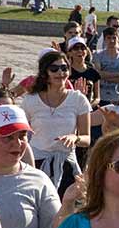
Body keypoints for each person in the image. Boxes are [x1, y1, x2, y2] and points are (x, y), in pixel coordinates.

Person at [22, 50, 91, 197]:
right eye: (54, 69)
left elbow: (87, 139)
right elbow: (23, 134)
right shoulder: (30, 100)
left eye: (64, 68)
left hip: (66, 164)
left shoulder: (78, 99)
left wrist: (75, 138)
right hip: (37, 163)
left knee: (66, 210)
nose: (60, 72)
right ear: (44, 73)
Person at [92, 29, 119, 106]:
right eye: (109, 38)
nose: (112, 41)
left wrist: (104, 76)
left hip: (117, 98)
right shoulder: (97, 55)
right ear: (105, 40)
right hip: (101, 97)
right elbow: (97, 74)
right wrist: (117, 74)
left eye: (114, 38)